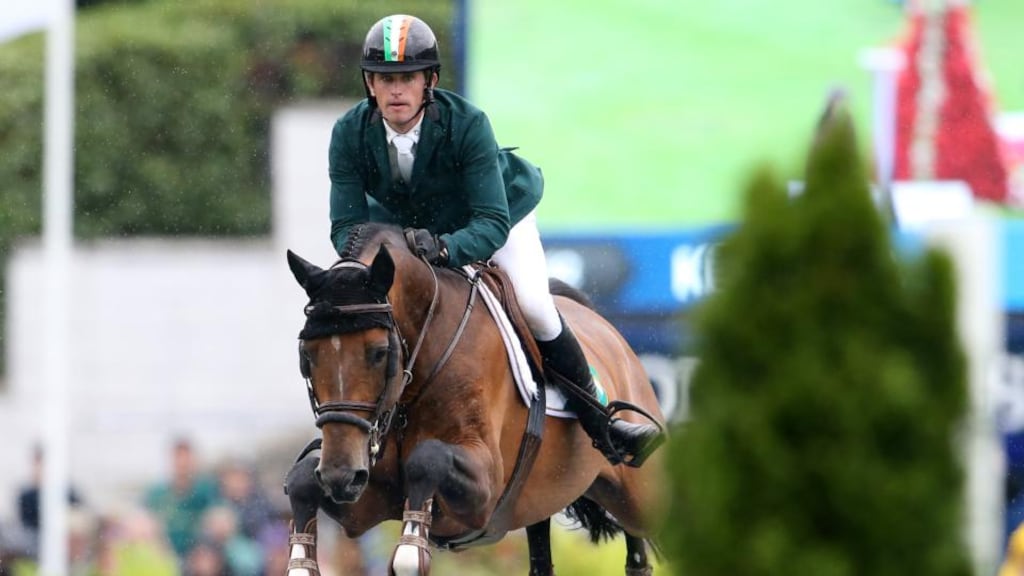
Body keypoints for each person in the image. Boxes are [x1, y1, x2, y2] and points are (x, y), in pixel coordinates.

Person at [325, 13, 663, 467]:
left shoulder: (467, 124)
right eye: (385, 79)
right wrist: (372, 269)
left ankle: (603, 421)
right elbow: (347, 229)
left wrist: (444, 250)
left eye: (408, 77)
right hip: (411, 236)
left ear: (431, 81)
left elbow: (490, 221)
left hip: (496, 217)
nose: (397, 90)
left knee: (534, 305)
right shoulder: (349, 133)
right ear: (370, 85)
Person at [143, 438, 219, 562]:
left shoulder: (207, 490)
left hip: (200, 557)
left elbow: (220, 519)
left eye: (186, 459)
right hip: (165, 554)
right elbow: (144, 522)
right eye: (178, 459)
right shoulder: (156, 494)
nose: (182, 464)